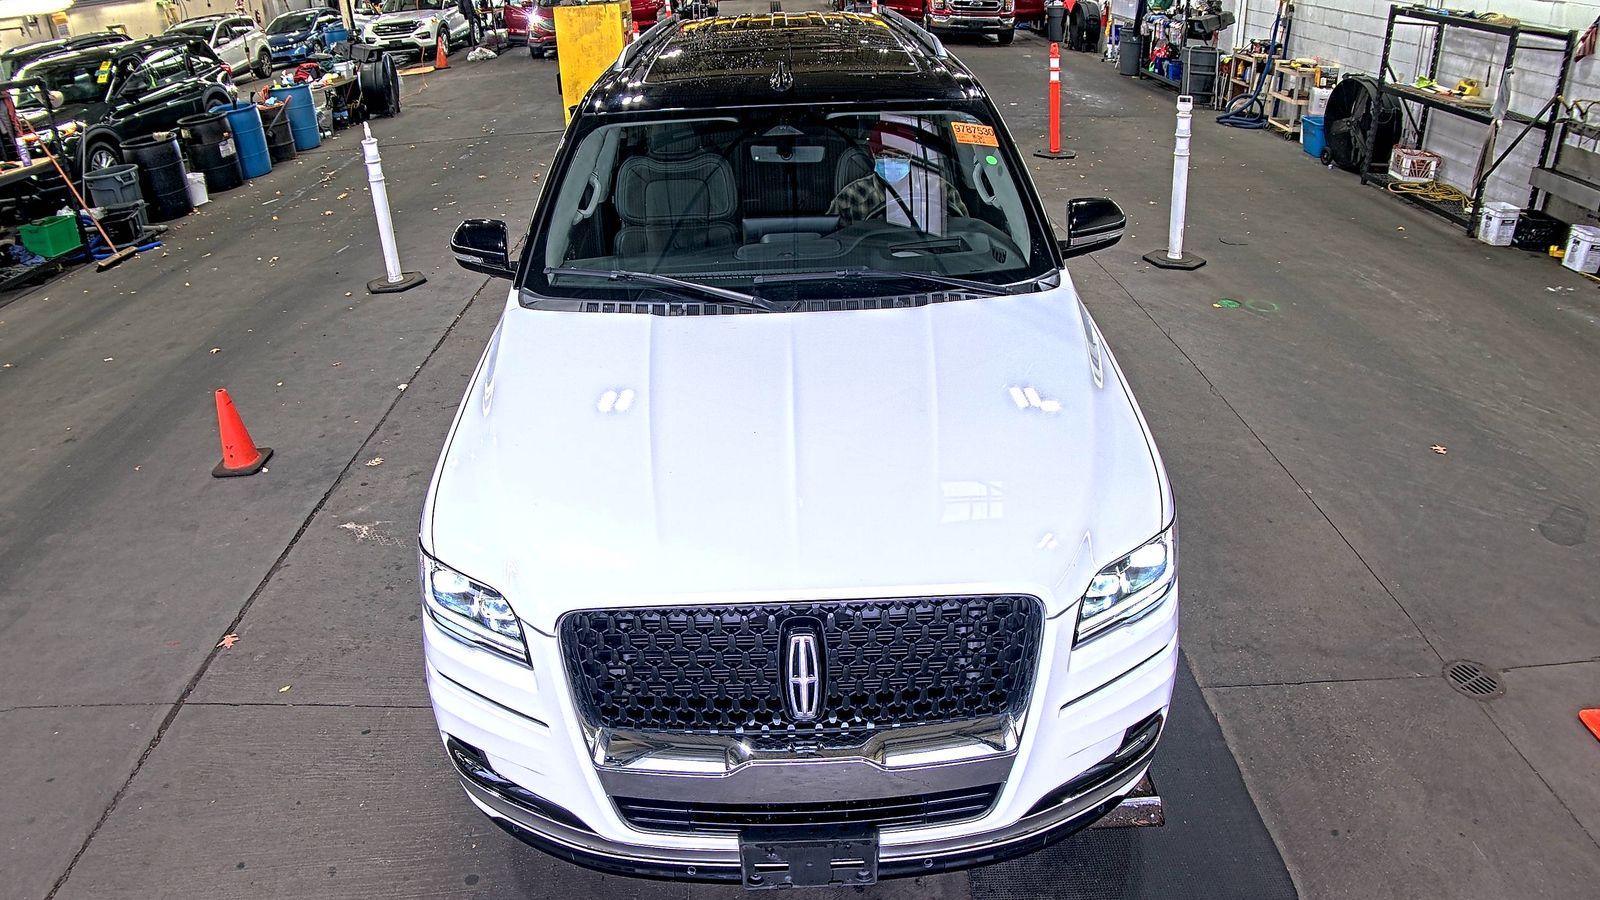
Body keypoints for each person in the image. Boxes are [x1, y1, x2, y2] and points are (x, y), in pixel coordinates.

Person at [828, 116, 968, 230]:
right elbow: (832, 242)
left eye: (900, 155)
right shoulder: (851, 197)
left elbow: (966, 231)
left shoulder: (940, 190)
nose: (893, 161)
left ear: (911, 156)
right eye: (885, 155)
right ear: (873, 156)